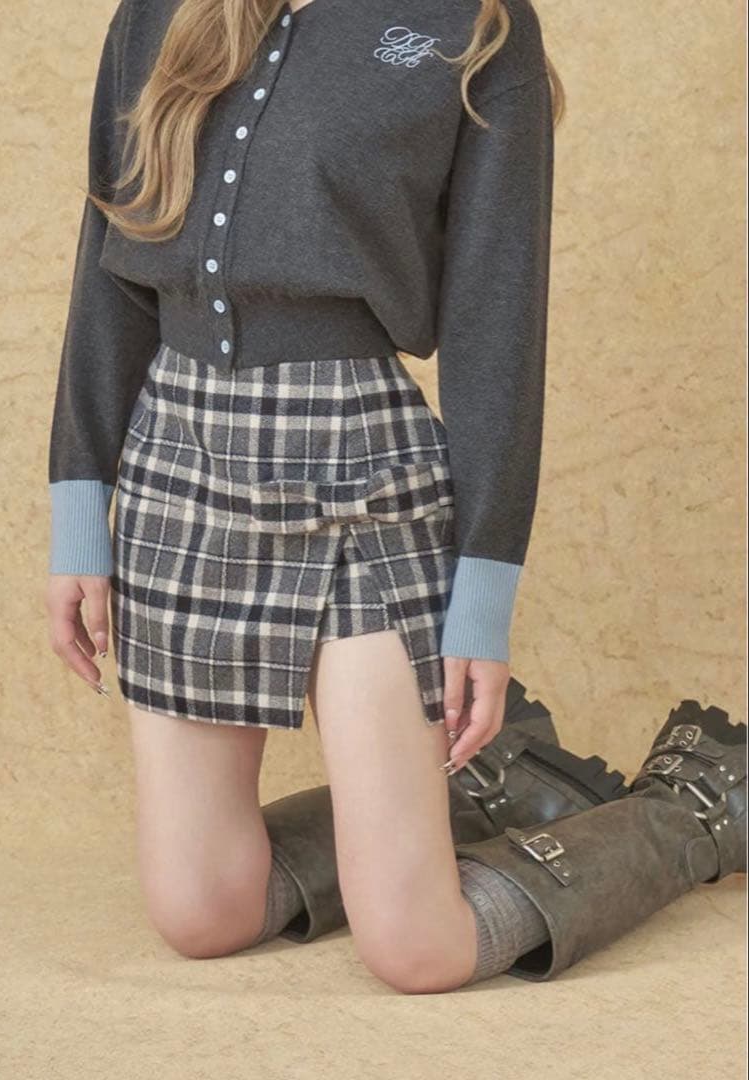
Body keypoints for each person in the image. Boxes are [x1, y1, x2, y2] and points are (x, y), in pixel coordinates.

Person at [44, 0, 746, 993]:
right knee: (202, 914)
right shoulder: (157, 13)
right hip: (178, 467)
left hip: (362, 482)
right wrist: (81, 516)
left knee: (419, 949)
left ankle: (698, 800)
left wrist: (482, 600)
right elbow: (108, 263)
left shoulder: (473, 25)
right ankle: (493, 783)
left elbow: (496, 323)